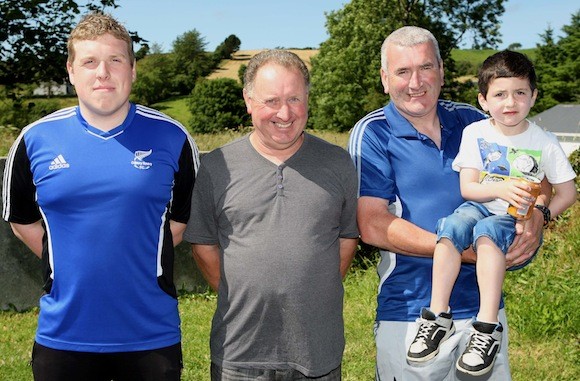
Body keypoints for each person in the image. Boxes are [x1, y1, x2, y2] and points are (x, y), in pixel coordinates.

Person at [2, 12, 199, 381]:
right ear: (71, 71)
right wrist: (72, 265)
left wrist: (134, 253)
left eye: (115, 60)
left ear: (133, 69)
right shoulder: (33, 140)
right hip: (63, 336)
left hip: (150, 336)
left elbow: (180, 222)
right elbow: (21, 223)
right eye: (89, 62)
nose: (102, 73)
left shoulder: (173, 137)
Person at [348, 26, 548, 380]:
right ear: (384, 78)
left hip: (485, 316)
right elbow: (373, 224)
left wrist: (538, 215)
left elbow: (535, 173)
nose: (416, 82)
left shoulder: (474, 121)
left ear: (441, 70)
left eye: (425, 67)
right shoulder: (373, 132)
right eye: (402, 71)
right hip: (411, 313)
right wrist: (466, 251)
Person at [183, 49, 359, 381]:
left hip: (316, 350)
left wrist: (309, 287)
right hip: (239, 351)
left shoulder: (338, 163)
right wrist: (246, 293)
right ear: (248, 100)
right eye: (271, 101)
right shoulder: (216, 166)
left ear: (308, 99)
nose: (284, 112)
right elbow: (203, 245)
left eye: (294, 99)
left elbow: (347, 239)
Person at [406, 50, 577, 376]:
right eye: (499, 94)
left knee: (487, 236)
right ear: (483, 100)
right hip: (478, 203)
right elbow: (468, 188)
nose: (509, 102)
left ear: (533, 96)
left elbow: (568, 192)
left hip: (510, 218)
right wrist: (498, 188)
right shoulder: (476, 133)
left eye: (520, 93)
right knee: (451, 228)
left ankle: (486, 327)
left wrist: (542, 214)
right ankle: (437, 316)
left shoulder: (544, 141)